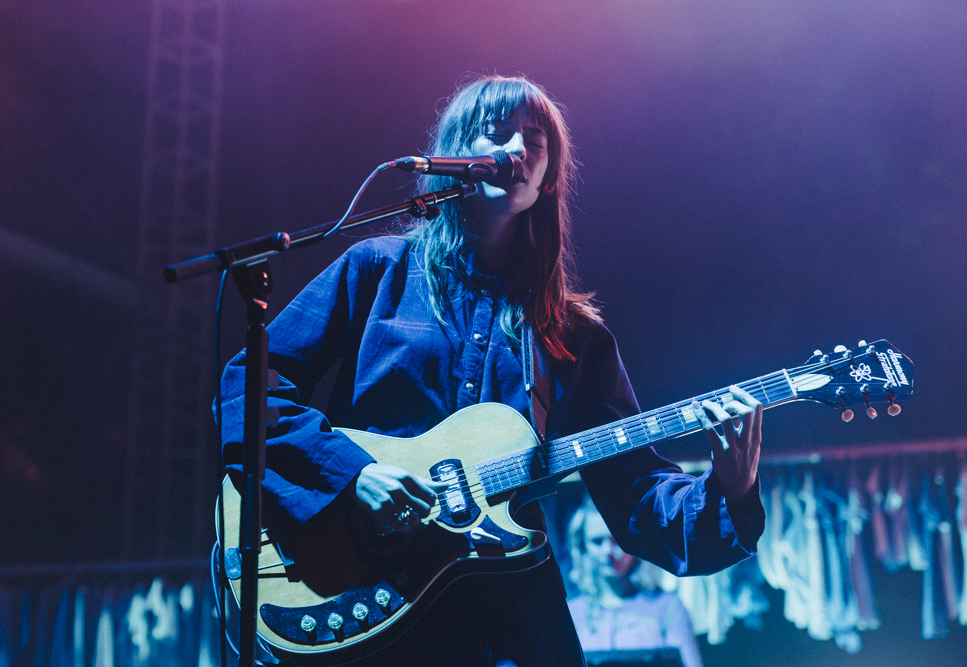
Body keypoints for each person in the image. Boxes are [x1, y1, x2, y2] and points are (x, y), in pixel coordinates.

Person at [218, 73, 765, 667]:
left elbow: (636, 496)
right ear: (455, 152)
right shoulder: (377, 270)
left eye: (535, 139)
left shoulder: (573, 337)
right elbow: (249, 387)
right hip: (364, 593)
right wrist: (353, 475)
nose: (518, 150)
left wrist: (729, 491)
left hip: (505, 620)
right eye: (495, 131)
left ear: (549, 174)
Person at [567, 499, 703, 667]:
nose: (607, 550)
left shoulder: (668, 608)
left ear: (634, 542)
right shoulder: (570, 615)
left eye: (616, 540)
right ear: (582, 547)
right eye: (597, 541)